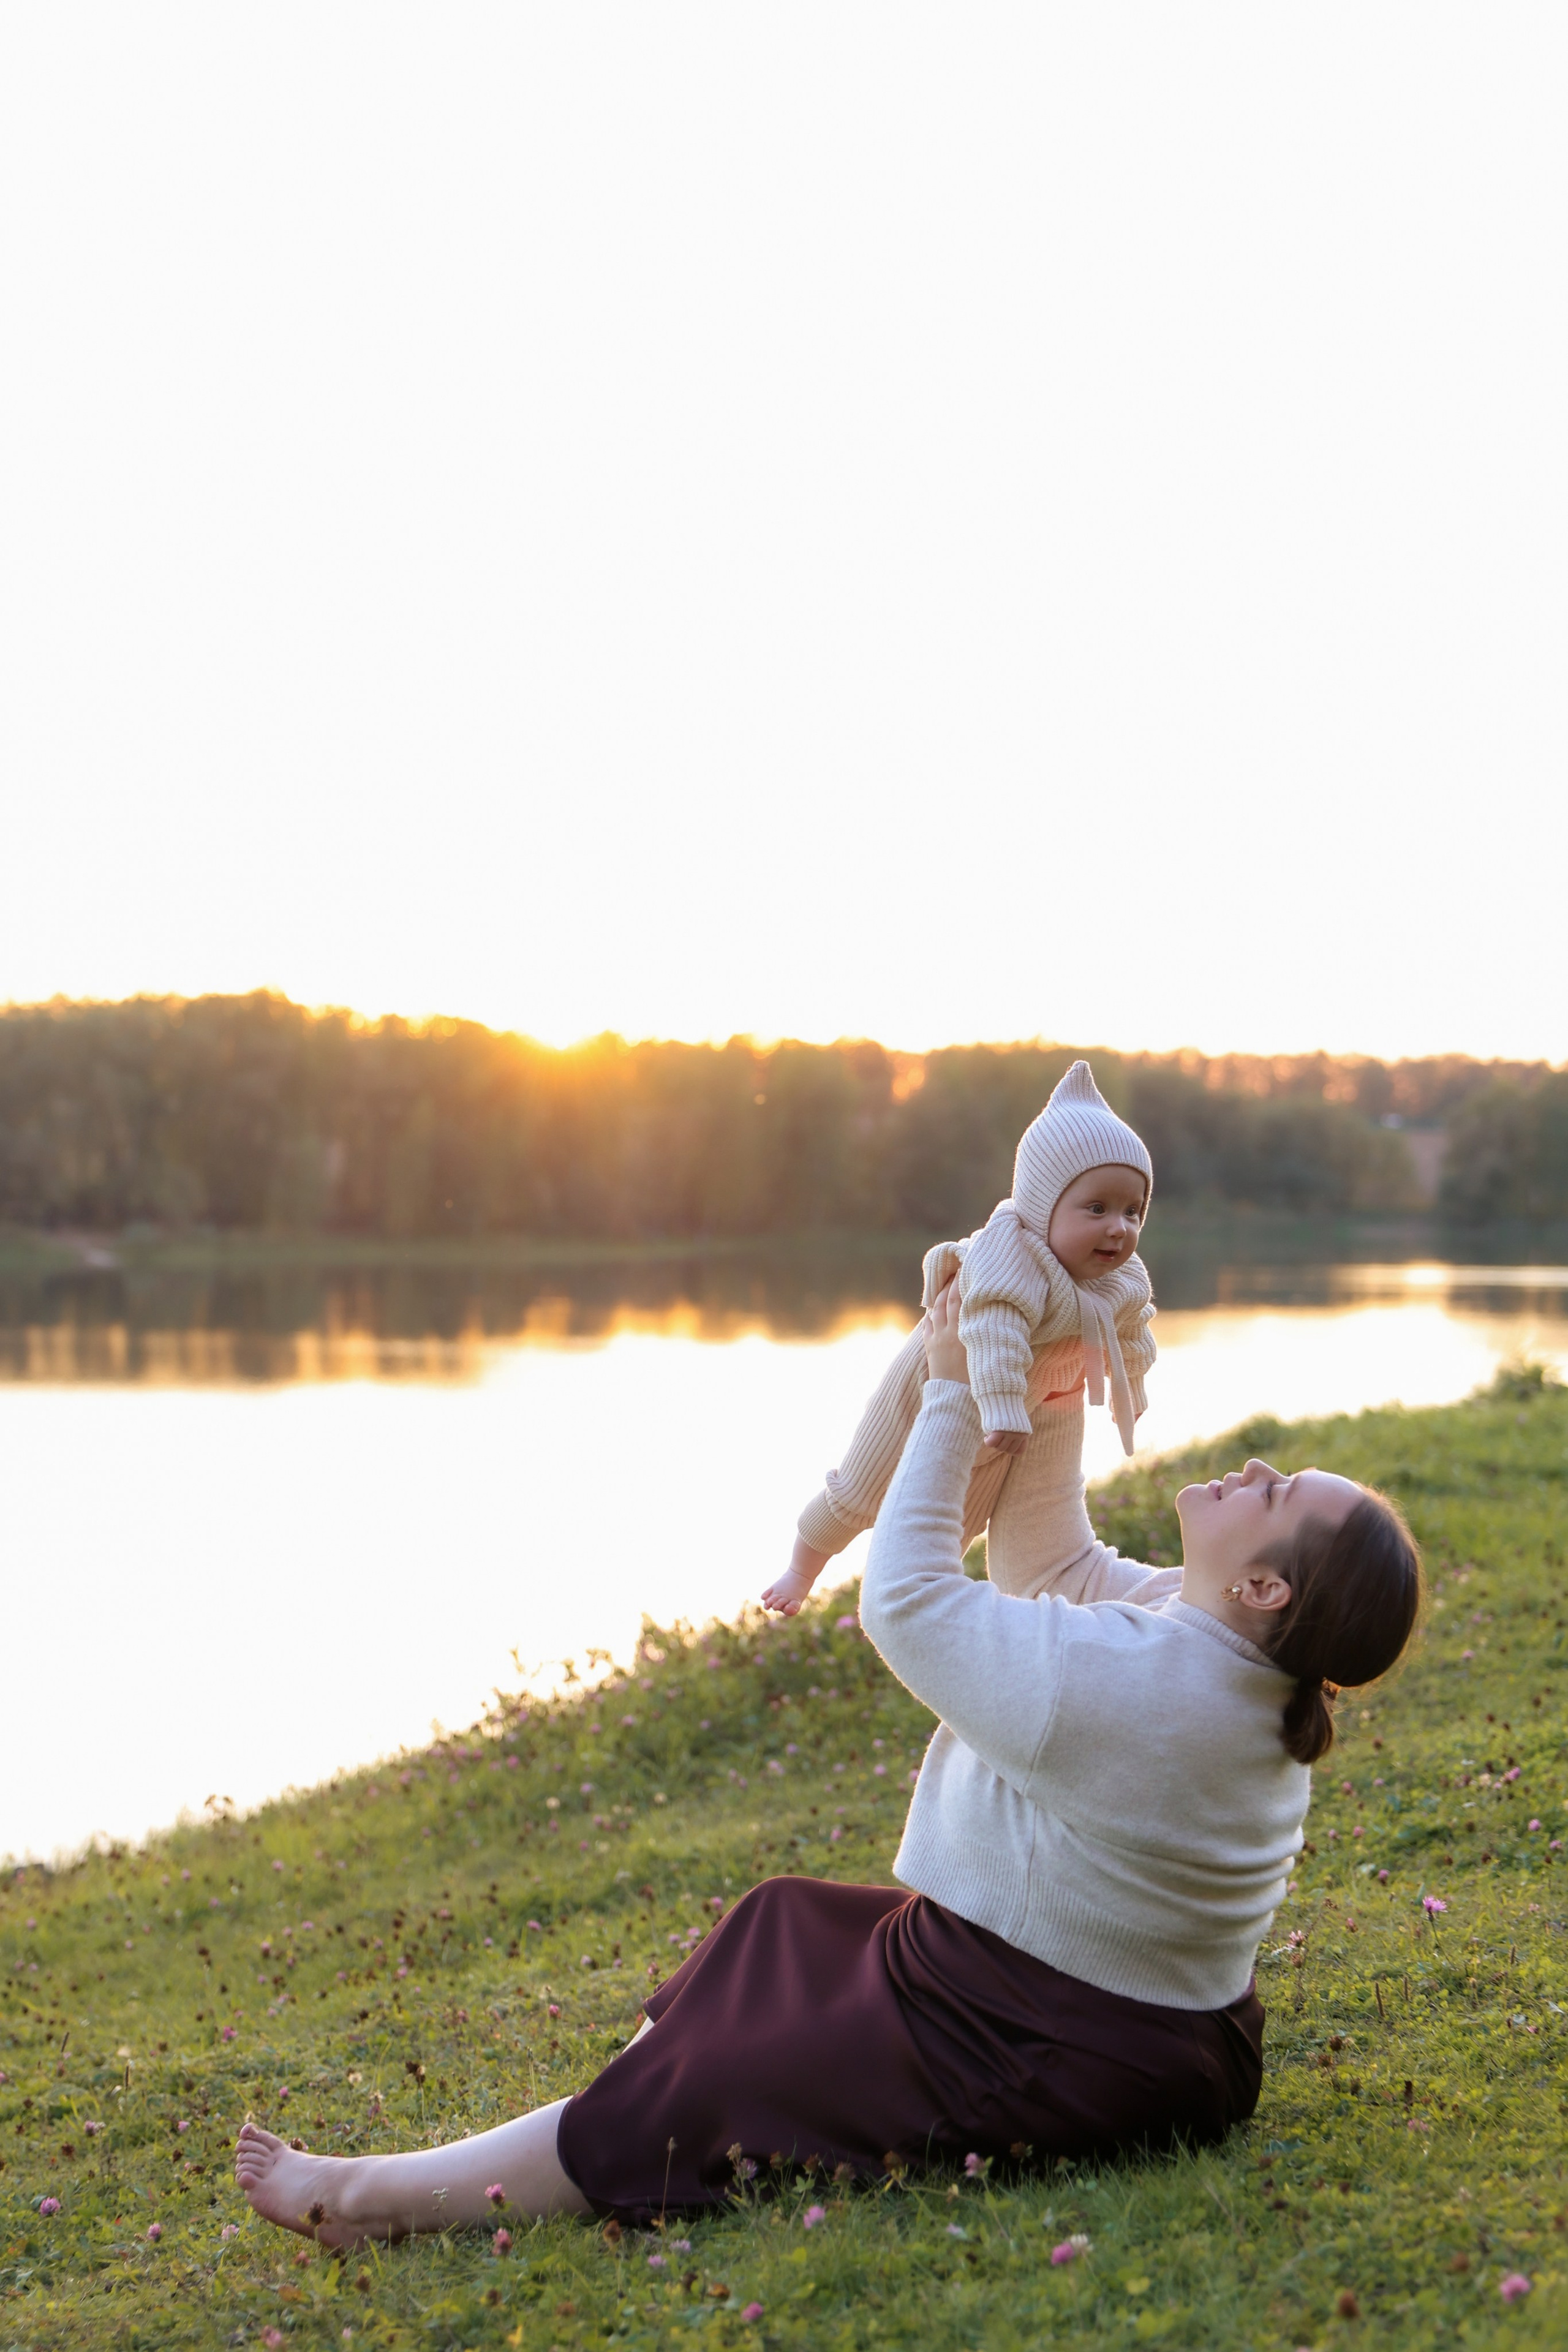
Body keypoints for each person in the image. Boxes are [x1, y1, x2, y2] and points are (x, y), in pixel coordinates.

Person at [234, 1284, 1421, 2246]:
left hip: (1050, 2049)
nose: (1253, 1471)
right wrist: (1036, 1362)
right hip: (1151, 2034)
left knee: (707, 2093)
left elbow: (904, 1604)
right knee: (780, 1927)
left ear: (1265, 1588)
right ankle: (599, 2111)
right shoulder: (1215, 1652)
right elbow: (1051, 1569)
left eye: (1273, 1495)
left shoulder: (1148, 1689)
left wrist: (955, 1397)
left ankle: (375, 2198)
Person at [762, 1058, 1157, 1619]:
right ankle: (802, 1569)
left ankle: (918, 1593)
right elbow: (995, 1333)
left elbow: (1134, 1334)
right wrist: (1000, 1408)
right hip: (934, 1385)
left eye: (1132, 1211)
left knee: (955, 1519)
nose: (1119, 1227)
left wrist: (1130, 1394)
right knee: (862, 1487)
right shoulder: (1011, 1258)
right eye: (1096, 1208)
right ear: (1042, 1207)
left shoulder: (1123, 1277)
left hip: (1014, 1409)